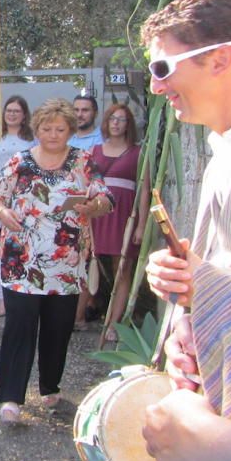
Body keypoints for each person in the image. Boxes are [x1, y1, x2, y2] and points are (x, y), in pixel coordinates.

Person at [128, 0, 231, 461]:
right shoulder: (222, 155)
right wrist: (187, 296)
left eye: (164, 67)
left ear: (221, 58)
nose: (155, 85)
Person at [0, 97, 113, 424]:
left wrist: (93, 205)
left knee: (58, 329)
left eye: (60, 128)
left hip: (66, 265)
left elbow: (106, 197)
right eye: (46, 128)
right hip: (21, 261)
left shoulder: (84, 161)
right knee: (19, 327)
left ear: (70, 130)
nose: (53, 134)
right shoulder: (19, 161)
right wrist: (3, 212)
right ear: (36, 128)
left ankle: (49, 386)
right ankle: (10, 396)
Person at [81, 103, 149, 341]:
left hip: (124, 215)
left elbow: (144, 191)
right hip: (97, 213)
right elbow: (84, 184)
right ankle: (76, 318)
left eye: (122, 119)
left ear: (128, 124)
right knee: (85, 263)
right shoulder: (95, 150)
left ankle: (113, 324)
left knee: (122, 269)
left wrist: (141, 225)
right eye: (113, 119)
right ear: (107, 122)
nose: (117, 123)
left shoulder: (138, 152)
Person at [0, 94, 36, 316]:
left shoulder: (32, 140)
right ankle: (1, 296)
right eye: (8, 110)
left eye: (16, 111)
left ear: (24, 115)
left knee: (22, 248)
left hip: (23, 201)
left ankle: (20, 294)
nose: (12, 114)